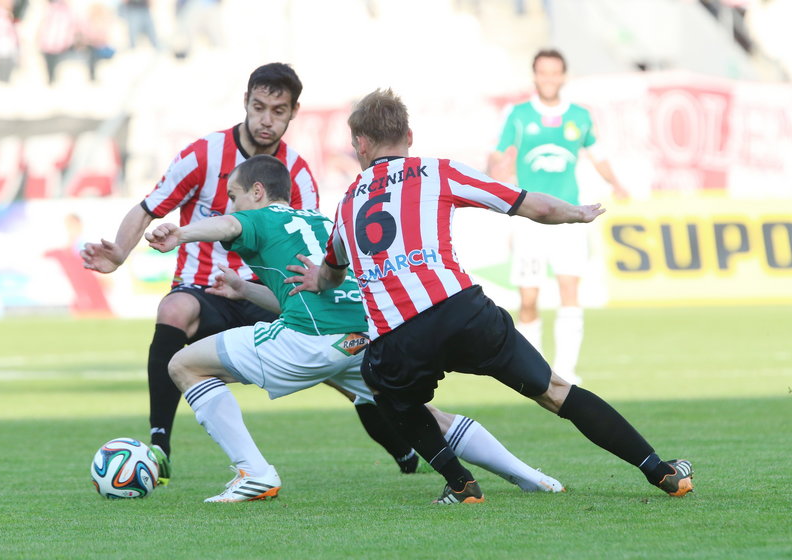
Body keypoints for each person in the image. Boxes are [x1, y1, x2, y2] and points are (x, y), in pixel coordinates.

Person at [286, 88, 693, 504]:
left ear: (360, 143)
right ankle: (662, 472)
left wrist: (314, 280)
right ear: (409, 135)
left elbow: (332, 272)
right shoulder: (436, 171)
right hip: (461, 314)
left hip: (398, 337)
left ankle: (460, 483)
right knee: (556, 391)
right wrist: (576, 212)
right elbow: (530, 205)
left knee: (383, 390)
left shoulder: (350, 202)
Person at [81, 63, 435, 484]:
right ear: (245, 102)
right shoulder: (203, 154)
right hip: (206, 287)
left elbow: (312, 246)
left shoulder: (297, 173)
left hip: (271, 293)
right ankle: (160, 445)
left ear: (293, 112)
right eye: (259, 107)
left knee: (347, 372)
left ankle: (406, 446)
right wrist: (120, 252)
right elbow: (149, 207)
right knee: (174, 308)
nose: (267, 120)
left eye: (278, 111)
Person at [145, 154, 565, 502]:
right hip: (360, 335)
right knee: (428, 417)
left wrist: (179, 233)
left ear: (257, 192)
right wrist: (241, 289)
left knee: (184, 365)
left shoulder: (261, 218)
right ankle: (530, 476)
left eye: (234, 196)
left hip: (309, 340)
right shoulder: (317, 221)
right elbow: (303, 295)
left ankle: (253, 472)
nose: (231, 207)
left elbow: (230, 226)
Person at [487, 49, 629, 386]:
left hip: (570, 216)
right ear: (534, 76)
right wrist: (495, 172)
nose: (549, 78)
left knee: (569, 289)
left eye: (554, 72)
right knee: (529, 297)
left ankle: (566, 371)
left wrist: (617, 184)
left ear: (563, 76)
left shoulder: (579, 116)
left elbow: (597, 154)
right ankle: (532, 372)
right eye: (542, 72)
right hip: (530, 217)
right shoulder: (519, 115)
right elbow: (499, 155)